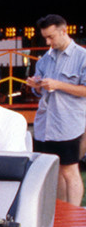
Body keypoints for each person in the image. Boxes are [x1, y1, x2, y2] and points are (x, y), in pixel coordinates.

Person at [27, 14, 86, 205]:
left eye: (51, 37)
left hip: (69, 123)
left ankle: (75, 212)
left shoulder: (82, 57)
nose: (48, 41)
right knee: (56, 170)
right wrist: (36, 86)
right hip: (46, 124)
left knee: (70, 169)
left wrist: (58, 85)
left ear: (64, 31)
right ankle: (61, 211)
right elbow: (40, 93)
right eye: (45, 37)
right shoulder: (45, 59)